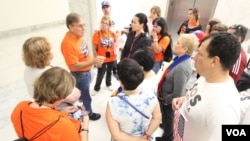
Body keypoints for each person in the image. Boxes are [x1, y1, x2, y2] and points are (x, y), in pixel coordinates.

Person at [172, 32, 242, 141]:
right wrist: (185, 100)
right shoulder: (206, 76)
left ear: (214, 61)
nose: (194, 57)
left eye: (200, 54)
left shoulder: (224, 106)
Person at [11, 67, 89, 141]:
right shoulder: (63, 125)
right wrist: (84, 128)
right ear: (61, 96)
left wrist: (60, 113)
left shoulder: (20, 107)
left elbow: (40, 120)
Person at [61, 12, 105, 121]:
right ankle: (88, 114)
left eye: (84, 25)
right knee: (85, 97)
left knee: (84, 95)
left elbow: (83, 54)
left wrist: (93, 62)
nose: (84, 28)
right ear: (71, 27)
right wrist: (93, 61)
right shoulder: (68, 43)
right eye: (80, 26)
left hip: (86, 72)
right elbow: (74, 66)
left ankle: (85, 111)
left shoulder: (78, 36)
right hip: (80, 75)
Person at [156, 33, 199, 141]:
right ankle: (166, 128)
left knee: (169, 117)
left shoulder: (182, 66)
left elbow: (178, 92)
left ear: (185, 49)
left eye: (178, 43)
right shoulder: (179, 59)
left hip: (169, 99)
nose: (175, 44)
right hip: (165, 96)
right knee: (166, 118)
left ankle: (168, 137)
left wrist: (166, 100)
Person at [106, 58, 161, 141]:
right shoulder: (151, 95)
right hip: (145, 137)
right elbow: (157, 118)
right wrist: (146, 135)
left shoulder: (112, 103)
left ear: (120, 82)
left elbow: (116, 135)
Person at [92, 15, 117, 95]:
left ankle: (108, 84)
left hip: (112, 57)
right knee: (100, 73)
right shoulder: (97, 34)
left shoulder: (113, 34)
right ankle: (97, 87)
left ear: (109, 26)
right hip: (101, 58)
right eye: (102, 22)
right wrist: (96, 60)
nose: (103, 25)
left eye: (106, 23)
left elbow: (116, 44)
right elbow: (94, 48)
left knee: (109, 72)